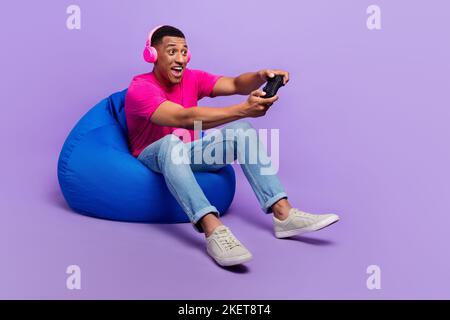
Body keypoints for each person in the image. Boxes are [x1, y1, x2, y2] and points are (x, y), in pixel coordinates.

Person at [125, 25, 339, 267]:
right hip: (153, 156)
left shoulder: (192, 78)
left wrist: (261, 76)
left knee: (242, 130)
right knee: (171, 143)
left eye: (184, 52)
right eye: (172, 51)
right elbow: (183, 118)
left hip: (189, 154)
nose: (180, 58)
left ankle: (284, 213)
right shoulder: (140, 88)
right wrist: (241, 109)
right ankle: (213, 230)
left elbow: (236, 84)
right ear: (152, 55)